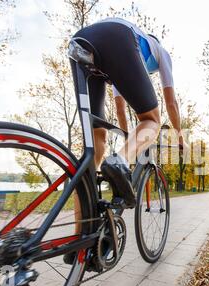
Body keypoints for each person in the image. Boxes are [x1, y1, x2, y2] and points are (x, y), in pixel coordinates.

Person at [73, 17, 183, 208]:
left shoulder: (131, 52)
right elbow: (171, 102)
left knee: (96, 143)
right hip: (118, 37)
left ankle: (82, 233)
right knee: (152, 121)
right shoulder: (159, 50)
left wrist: (129, 139)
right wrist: (180, 135)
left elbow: (120, 107)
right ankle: (119, 161)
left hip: (81, 42)